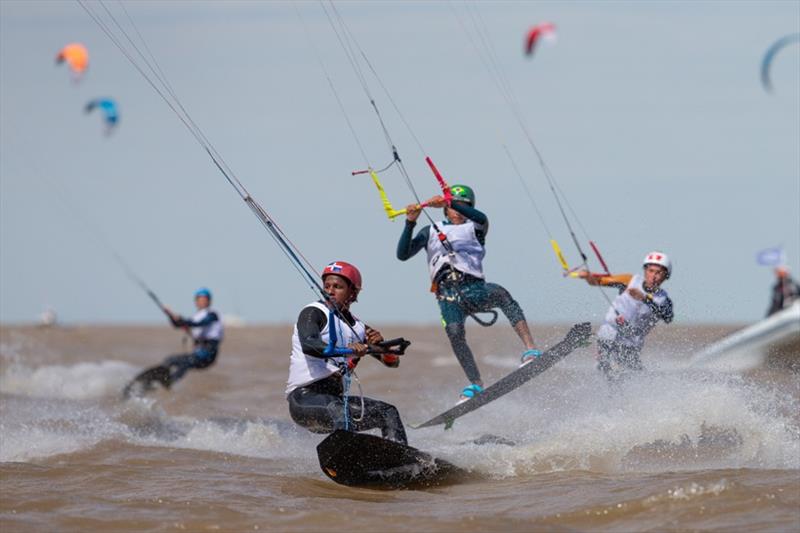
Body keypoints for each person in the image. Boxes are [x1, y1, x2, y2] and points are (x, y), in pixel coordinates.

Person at [396, 185, 540, 403]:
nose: (457, 209)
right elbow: (402, 255)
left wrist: (449, 201)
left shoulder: (476, 227)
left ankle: (531, 350)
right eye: (454, 205)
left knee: (501, 294)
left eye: (463, 205)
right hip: (447, 295)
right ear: (444, 210)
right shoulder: (430, 230)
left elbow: (480, 216)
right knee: (454, 333)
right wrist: (410, 222)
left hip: (474, 288)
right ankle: (475, 383)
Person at [286, 261, 408, 445]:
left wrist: (380, 346)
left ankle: (401, 461)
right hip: (305, 399)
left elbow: (392, 362)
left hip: (335, 402)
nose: (330, 291)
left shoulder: (359, 329)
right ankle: (351, 461)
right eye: (327, 286)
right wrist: (350, 350)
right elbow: (311, 346)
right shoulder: (313, 313)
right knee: (339, 410)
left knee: (388, 412)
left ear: (353, 292)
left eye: (338, 287)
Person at [580, 251, 674, 380]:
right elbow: (598, 281)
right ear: (645, 270)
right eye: (650, 271)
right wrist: (587, 276)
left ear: (666, 276)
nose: (653, 276)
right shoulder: (629, 281)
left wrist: (645, 299)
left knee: (635, 378)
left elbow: (668, 317)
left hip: (631, 345)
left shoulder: (664, 300)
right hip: (609, 337)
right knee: (610, 374)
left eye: (658, 273)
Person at [123, 287, 223, 397]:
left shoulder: (213, 314)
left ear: (209, 301)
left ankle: (170, 382)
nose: (202, 301)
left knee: (186, 362)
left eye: (204, 299)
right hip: (198, 353)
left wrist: (182, 320)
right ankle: (155, 382)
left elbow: (199, 323)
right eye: (199, 299)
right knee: (170, 360)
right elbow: (179, 325)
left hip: (208, 354)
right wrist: (171, 316)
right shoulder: (196, 316)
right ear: (196, 301)